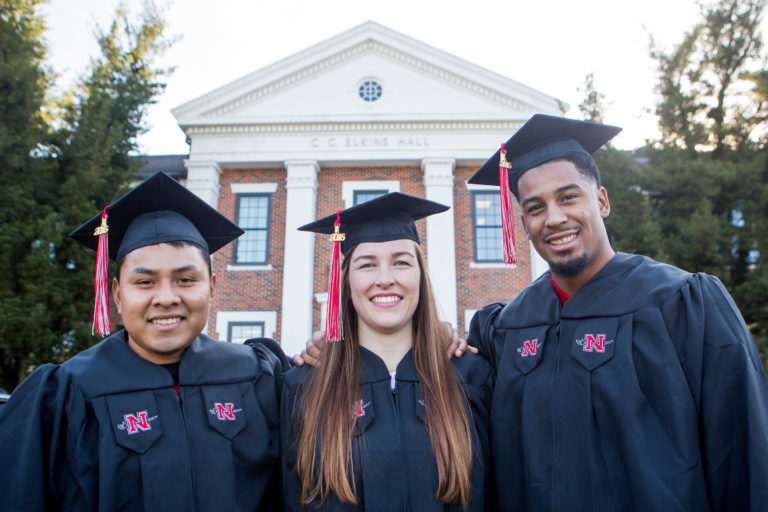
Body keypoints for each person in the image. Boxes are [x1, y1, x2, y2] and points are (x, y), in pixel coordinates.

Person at [466, 114, 768, 511]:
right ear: (523, 222)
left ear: (602, 201)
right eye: (536, 207)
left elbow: (742, 453)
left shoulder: (681, 303)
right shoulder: (505, 329)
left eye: (569, 197)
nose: (555, 218)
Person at [0, 171, 284, 511]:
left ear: (212, 286)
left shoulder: (258, 377)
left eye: (185, 279)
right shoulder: (67, 394)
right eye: (145, 282)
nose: (166, 297)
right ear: (117, 295)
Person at [281, 193, 493, 511]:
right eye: (367, 264)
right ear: (346, 281)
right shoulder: (303, 387)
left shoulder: (471, 377)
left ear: (420, 275)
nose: (385, 279)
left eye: (401, 262)